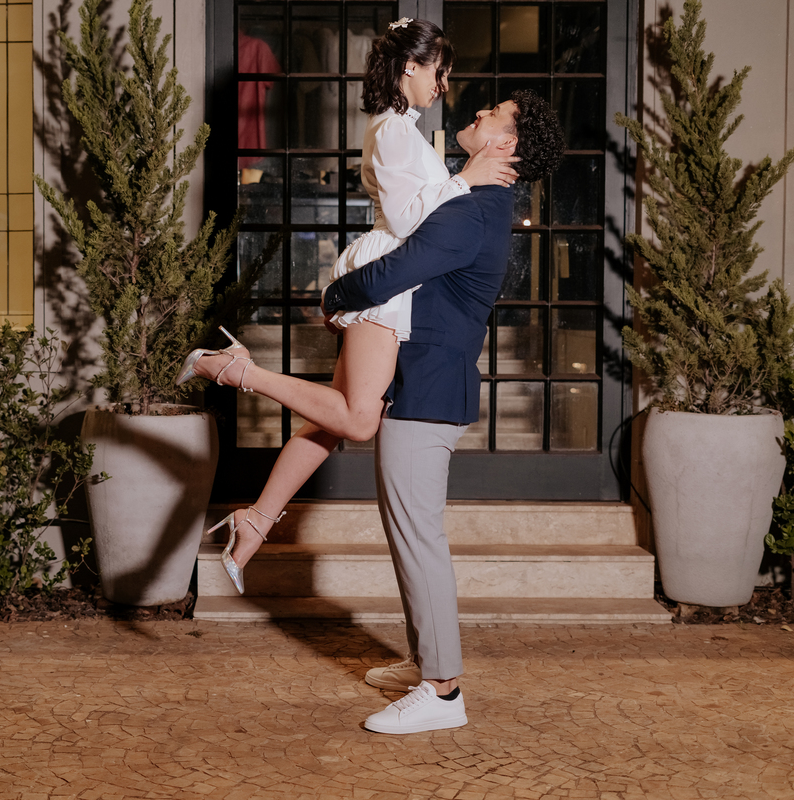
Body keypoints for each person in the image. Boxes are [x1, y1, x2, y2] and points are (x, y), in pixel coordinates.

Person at [175, 18, 518, 594]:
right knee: (358, 419)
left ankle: (255, 521)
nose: (443, 86)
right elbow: (409, 220)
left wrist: (462, 180)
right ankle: (234, 370)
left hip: (390, 276)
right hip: (384, 279)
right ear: (411, 66)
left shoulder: (402, 128)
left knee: (330, 423)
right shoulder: (393, 130)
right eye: (439, 72)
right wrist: (465, 180)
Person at [322, 89, 565, 733]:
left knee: (418, 538)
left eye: (494, 114)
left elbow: (392, 272)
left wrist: (333, 293)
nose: (478, 112)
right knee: (409, 534)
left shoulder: (474, 210)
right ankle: (426, 662)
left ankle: (443, 691)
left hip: (428, 391)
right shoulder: (480, 201)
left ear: (505, 143)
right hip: (423, 386)